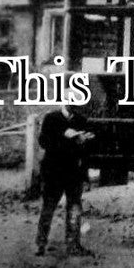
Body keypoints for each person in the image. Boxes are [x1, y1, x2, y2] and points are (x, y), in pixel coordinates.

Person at [36, 102, 95, 257]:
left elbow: (87, 150)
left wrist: (83, 141)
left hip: (73, 171)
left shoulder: (81, 120)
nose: (72, 106)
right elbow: (43, 142)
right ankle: (41, 243)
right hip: (53, 170)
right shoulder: (51, 118)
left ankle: (73, 244)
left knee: (74, 208)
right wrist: (64, 137)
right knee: (48, 207)